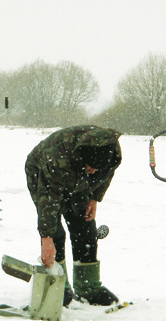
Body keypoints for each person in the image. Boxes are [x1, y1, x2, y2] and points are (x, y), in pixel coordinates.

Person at [25, 125, 122, 307]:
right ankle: (60, 286)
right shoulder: (57, 158)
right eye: (90, 167)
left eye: (96, 169)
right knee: (56, 232)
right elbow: (49, 199)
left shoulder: (111, 152)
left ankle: (88, 287)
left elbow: (107, 174)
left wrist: (95, 198)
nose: (93, 171)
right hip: (42, 173)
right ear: (83, 159)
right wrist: (46, 237)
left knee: (84, 226)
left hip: (78, 179)